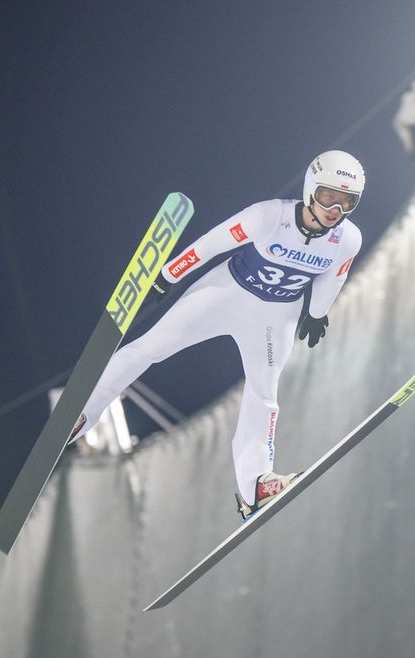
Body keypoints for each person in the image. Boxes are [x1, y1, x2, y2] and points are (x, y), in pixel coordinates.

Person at [71, 150, 365, 520]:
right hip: (226, 294)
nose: (335, 209)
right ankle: (84, 412)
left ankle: (254, 485)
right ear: (310, 188)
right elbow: (214, 242)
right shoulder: (269, 216)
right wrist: (169, 274)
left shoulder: (347, 238)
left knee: (264, 394)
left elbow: (334, 275)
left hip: (276, 317)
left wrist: (317, 313)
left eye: (347, 202)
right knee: (151, 347)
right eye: (328, 197)